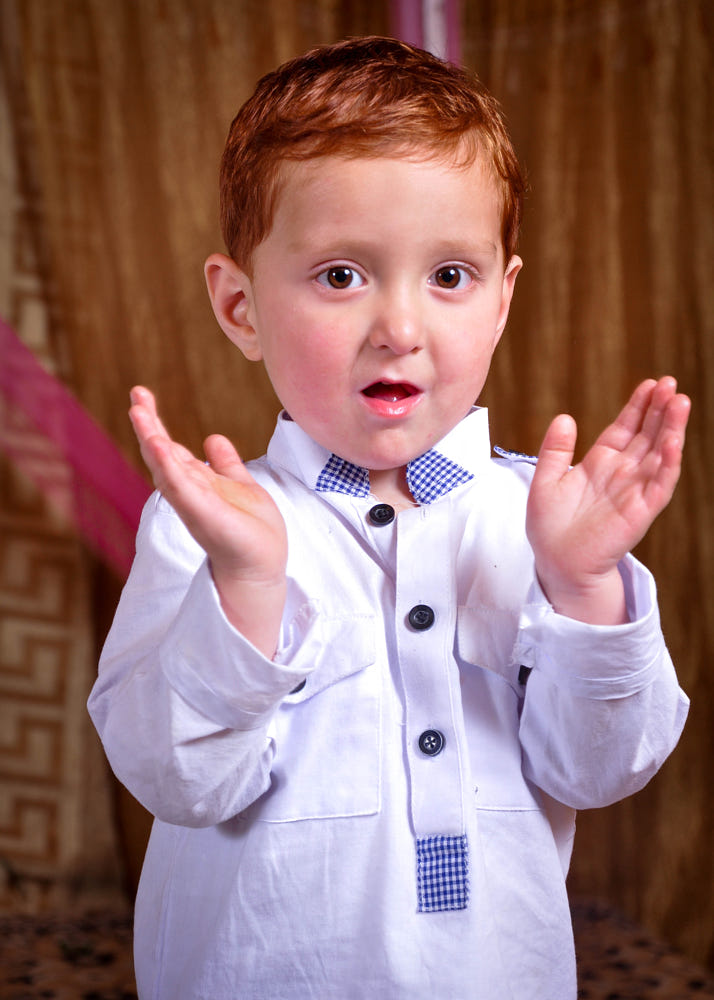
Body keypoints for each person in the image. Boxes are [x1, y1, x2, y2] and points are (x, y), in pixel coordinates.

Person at [88, 36, 691, 1000]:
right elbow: (177, 780)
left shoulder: (546, 521)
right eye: (340, 276)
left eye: (450, 275)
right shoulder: (206, 522)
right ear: (241, 307)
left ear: (502, 301)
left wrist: (583, 587)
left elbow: (600, 770)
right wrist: (247, 586)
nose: (400, 327)